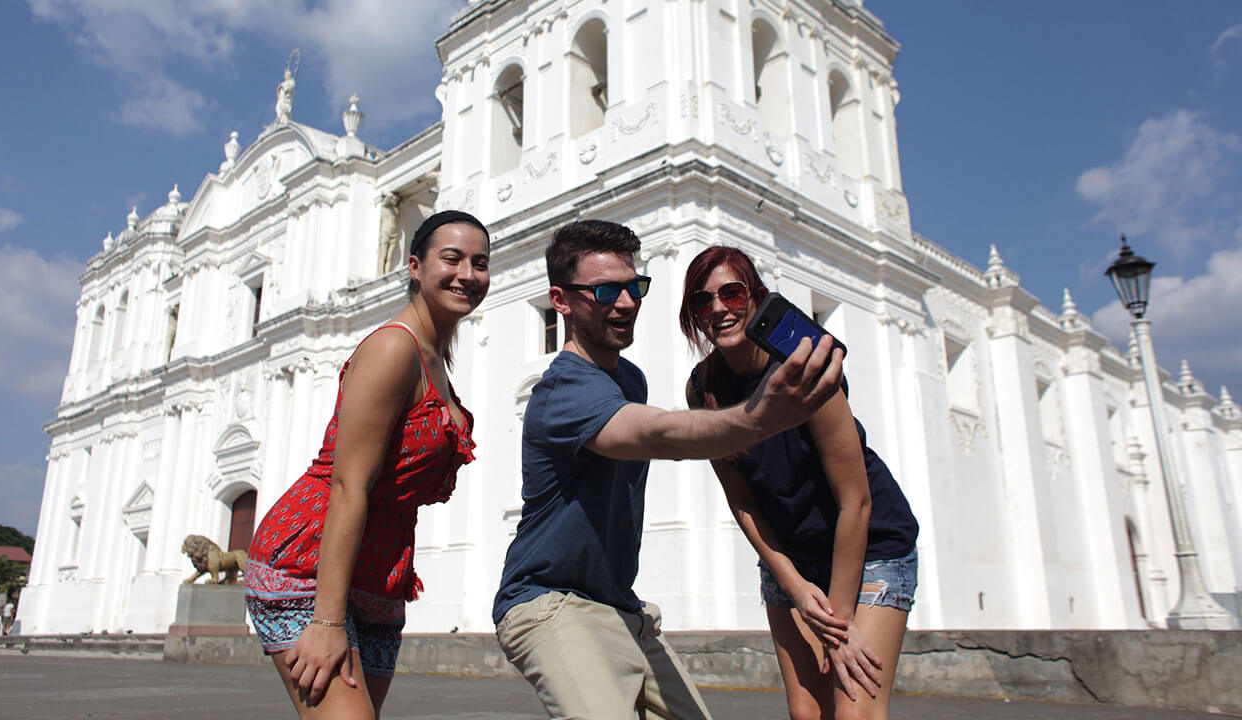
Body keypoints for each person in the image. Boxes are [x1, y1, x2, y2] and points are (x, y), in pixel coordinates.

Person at [493, 220, 846, 720]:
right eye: (605, 291)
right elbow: (657, 434)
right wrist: (759, 417)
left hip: (621, 608)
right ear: (560, 301)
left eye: (634, 287)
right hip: (550, 602)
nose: (626, 302)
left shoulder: (629, 379)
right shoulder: (561, 392)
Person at [244, 210, 490, 719]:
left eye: (480, 262)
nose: (467, 273)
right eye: (452, 259)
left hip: (379, 575)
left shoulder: (435, 357)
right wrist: (327, 621)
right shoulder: (393, 347)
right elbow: (348, 485)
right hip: (309, 566)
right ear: (415, 267)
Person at [679, 246, 919, 720]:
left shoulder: (805, 366)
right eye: (703, 301)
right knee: (808, 713)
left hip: (871, 544)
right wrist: (792, 582)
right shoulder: (702, 388)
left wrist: (838, 627)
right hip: (790, 552)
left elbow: (856, 502)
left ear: (757, 296)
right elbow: (741, 500)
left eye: (732, 293)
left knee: (854, 712)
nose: (719, 309)